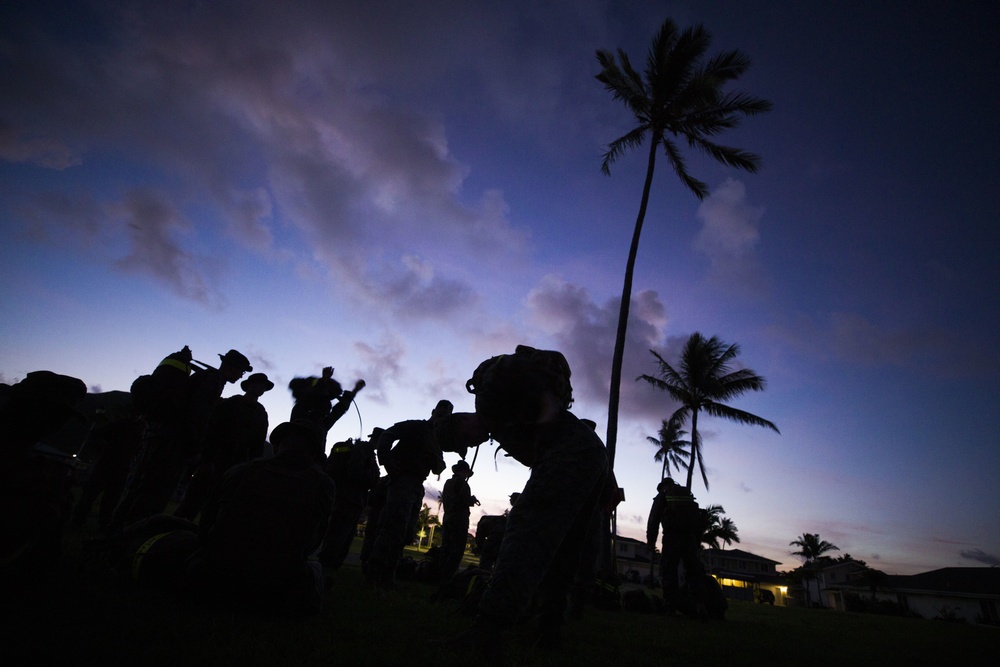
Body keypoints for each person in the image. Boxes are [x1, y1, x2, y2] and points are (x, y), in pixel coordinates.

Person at [455, 345, 609, 656]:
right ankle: (549, 633)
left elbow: (520, 379)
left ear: (464, 423)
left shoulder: (489, 399)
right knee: (564, 549)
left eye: (463, 439)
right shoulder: (502, 413)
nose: (470, 444)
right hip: (588, 451)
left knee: (526, 533)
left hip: (569, 450)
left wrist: (546, 414)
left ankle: (488, 631)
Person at [185, 418, 335, 615]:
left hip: (216, 579)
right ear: (314, 455)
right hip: (279, 590)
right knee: (318, 571)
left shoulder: (239, 471)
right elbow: (314, 540)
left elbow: (207, 523)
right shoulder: (323, 484)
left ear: (276, 447)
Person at [110, 349, 252, 530]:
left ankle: (116, 529)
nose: (241, 376)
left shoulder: (204, 377)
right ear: (233, 368)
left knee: (141, 487)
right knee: (156, 492)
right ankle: (133, 535)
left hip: (160, 436)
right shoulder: (212, 381)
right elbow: (198, 416)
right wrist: (195, 449)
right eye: (241, 371)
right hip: (174, 444)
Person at [364, 400, 452, 592]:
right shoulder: (416, 426)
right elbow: (388, 434)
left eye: (445, 415)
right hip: (401, 480)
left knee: (405, 532)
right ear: (433, 411)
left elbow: (440, 466)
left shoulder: (436, 440)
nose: (440, 417)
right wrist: (385, 459)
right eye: (440, 412)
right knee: (393, 528)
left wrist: (435, 460)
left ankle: (388, 575)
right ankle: (375, 573)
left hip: (416, 486)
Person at [174, 372, 273, 520]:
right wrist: (207, 459)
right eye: (257, 384)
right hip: (214, 462)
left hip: (236, 467)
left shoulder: (261, 413)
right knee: (192, 503)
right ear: (249, 386)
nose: (260, 388)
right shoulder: (230, 404)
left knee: (216, 508)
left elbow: (257, 445)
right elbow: (211, 432)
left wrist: (250, 468)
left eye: (263, 386)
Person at [317, 428, 382, 571]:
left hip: (355, 501)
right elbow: (355, 473)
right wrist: (371, 479)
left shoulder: (369, 454)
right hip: (347, 499)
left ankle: (331, 568)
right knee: (338, 535)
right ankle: (324, 567)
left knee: (345, 537)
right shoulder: (362, 451)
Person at [647, 477, 707, 615]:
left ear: (663, 486)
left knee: (669, 570)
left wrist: (651, 540)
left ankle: (670, 605)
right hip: (689, 538)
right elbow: (697, 520)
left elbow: (654, 518)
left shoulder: (663, 496)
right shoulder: (686, 497)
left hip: (671, 537)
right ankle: (700, 604)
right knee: (693, 570)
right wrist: (696, 542)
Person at [289, 366, 365, 436]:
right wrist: (324, 380)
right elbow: (339, 409)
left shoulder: (321, 420)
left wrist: (355, 390)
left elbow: (340, 409)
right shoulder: (303, 409)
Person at [438, 459, 479, 582]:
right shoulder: (463, 484)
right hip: (459, 519)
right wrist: (471, 500)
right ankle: (448, 577)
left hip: (448, 517)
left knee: (446, 546)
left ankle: (440, 574)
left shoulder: (448, 482)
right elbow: (463, 500)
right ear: (463, 471)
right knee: (457, 548)